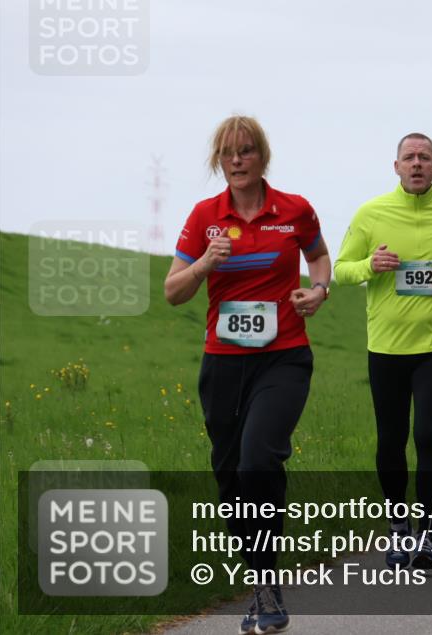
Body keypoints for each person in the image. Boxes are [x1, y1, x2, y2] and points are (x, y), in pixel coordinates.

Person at [165, 115, 329, 635]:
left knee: (260, 457)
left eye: (247, 151)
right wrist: (204, 265)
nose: (237, 160)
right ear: (219, 160)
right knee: (231, 474)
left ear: (263, 157)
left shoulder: (295, 210)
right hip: (224, 362)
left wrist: (318, 291)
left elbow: (319, 257)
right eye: (228, 153)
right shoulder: (204, 217)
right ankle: (257, 577)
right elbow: (174, 291)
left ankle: (267, 584)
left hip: (283, 356)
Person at [334, 133, 432, 571]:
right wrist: (370, 266)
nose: (417, 164)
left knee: (429, 434)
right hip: (387, 345)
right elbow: (341, 270)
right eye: (409, 158)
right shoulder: (370, 213)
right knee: (392, 439)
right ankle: (398, 529)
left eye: (425, 158)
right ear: (396, 166)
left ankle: (427, 536)